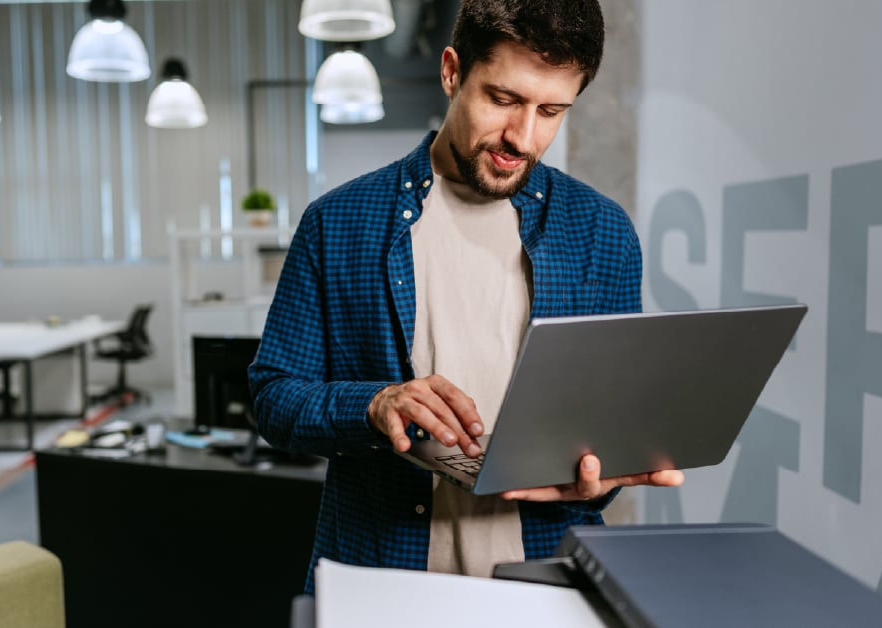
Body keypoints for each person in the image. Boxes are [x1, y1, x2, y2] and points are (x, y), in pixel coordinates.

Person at [248, 0, 684, 593]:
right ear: (452, 71)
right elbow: (274, 396)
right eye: (502, 99)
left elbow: (606, 417)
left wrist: (601, 475)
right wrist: (375, 406)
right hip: (381, 575)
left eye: (551, 110)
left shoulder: (602, 231)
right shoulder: (339, 221)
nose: (522, 137)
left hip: (545, 580)